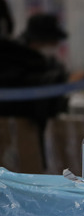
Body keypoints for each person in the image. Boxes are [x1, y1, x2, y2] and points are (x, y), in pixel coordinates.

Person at [0, 12, 70, 168]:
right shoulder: (18, 60)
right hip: (18, 128)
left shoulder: (34, 61)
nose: (55, 46)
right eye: (53, 42)